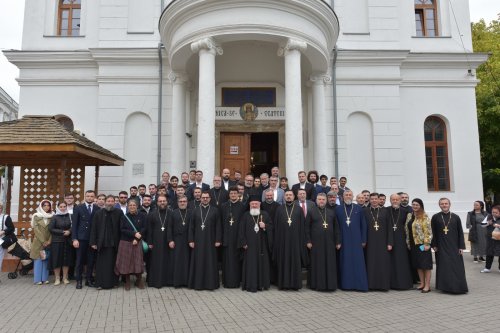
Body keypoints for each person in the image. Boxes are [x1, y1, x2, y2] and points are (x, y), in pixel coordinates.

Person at [431, 198, 468, 294]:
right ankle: (445, 287)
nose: (444, 205)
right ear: (439, 205)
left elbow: (460, 232)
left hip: (454, 246)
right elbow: (433, 232)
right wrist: (434, 245)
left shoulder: (456, 217)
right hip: (441, 246)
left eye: (446, 203)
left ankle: (458, 286)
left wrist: (461, 246)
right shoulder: (435, 217)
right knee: (444, 266)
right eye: (442, 204)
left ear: (449, 204)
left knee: (456, 266)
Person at [273, 190, 308, 290]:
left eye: (290, 195)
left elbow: (302, 227)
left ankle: (295, 284)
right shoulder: (279, 209)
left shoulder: (298, 209)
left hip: (296, 241)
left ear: (294, 197)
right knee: (283, 261)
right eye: (287, 195)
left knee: (295, 261)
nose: (288, 197)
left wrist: (302, 241)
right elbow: (276, 226)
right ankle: (283, 284)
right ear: (284, 197)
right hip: (282, 241)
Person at [306, 193, 341, 291]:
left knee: (329, 263)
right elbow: (306, 228)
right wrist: (308, 241)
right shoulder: (311, 211)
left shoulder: (331, 212)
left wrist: (338, 241)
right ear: (316, 201)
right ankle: (317, 285)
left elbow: (336, 228)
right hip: (316, 243)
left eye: (323, 199)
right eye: (319, 199)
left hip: (329, 243)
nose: (321, 201)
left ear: (326, 201)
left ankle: (330, 285)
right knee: (318, 264)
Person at [238, 195, 273, 292]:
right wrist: (243, 242)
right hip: (249, 246)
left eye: (256, 204)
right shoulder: (245, 215)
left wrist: (265, 226)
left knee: (262, 264)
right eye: (252, 204)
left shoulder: (264, 214)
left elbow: (271, 227)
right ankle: (250, 285)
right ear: (249, 205)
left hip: (262, 246)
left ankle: (262, 284)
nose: (254, 205)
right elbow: (241, 230)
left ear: (259, 204)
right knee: (250, 265)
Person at [335, 190, 368, 291]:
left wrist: (363, 240)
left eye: (350, 195)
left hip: (357, 240)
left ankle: (360, 285)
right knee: (346, 263)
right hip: (344, 240)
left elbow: (363, 225)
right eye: (346, 195)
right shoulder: (338, 209)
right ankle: (346, 285)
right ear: (342, 197)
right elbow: (336, 227)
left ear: (353, 197)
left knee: (358, 263)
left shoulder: (358, 208)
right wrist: (338, 241)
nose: (348, 196)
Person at [188, 191, 221, 290]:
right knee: (198, 262)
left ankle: (210, 284)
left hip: (211, 241)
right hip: (197, 241)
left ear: (210, 199)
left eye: (207, 197)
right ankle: (198, 284)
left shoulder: (215, 211)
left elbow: (218, 226)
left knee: (210, 262)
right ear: (200, 198)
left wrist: (218, 239)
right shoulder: (195, 210)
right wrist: (191, 240)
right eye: (203, 197)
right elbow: (191, 227)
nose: (205, 199)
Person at [90, 195, 122, 289]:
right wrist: (93, 242)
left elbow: (121, 228)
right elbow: (94, 229)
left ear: (114, 203)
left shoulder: (119, 213)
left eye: (112, 201)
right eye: (108, 201)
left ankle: (114, 283)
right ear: (105, 202)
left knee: (114, 263)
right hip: (102, 243)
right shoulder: (98, 213)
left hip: (114, 243)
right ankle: (100, 284)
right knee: (101, 265)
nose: (110, 203)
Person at [115, 200, 146, 290]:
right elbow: (122, 229)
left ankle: (138, 280)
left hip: (137, 242)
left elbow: (144, 228)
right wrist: (133, 234)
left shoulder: (142, 216)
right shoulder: (124, 217)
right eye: (130, 205)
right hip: (125, 242)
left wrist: (137, 239)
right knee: (126, 262)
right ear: (128, 206)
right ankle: (127, 281)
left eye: (134, 205)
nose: (132, 206)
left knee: (138, 262)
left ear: (137, 206)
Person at [364, 193, 393, 291]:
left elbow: (390, 227)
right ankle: (371, 285)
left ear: (379, 200)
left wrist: (390, 242)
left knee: (382, 263)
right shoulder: (365, 211)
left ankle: (383, 285)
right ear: (369, 200)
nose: (374, 201)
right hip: (370, 241)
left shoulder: (385, 211)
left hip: (383, 241)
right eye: (372, 199)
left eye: (376, 199)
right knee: (371, 262)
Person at [72, 190, 99, 289]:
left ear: (94, 197)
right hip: (81, 239)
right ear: (85, 196)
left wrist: (96, 240)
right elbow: (74, 225)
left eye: (92, 196)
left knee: (91, 260)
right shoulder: (78, 208)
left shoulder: (97, 208)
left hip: (92, 240)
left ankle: (88, 279)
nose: (90, 198)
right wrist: (74, 239)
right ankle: (79, 281)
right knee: (79, 261)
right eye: (88, 196)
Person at [220, 187, 246, 288]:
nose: (233, 195)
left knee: (236, 260)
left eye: (235, 193)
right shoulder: (224, 206)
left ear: (238, 195)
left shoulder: (242, 206)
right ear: (229, 195)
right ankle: (226, 282)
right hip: (226, 237)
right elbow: (221, 222)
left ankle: (236, 282)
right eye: (232, 193)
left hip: (237, 237)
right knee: (227, 260)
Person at [405, 198, 433, 293]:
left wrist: (427, 243)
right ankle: (422, 283)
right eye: (413, 204)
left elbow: (428, 231)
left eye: (417, 205)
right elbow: (407, 229)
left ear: (421, 206)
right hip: (413, 244)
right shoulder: (410, 215)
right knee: (418, 265)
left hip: (422, 244)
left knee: (426, 265)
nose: (415, 206)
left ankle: (427, 286)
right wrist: (408, 242)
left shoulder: (424, 216)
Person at [146, 194, 173, 288]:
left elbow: (173, 228)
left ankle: (167, 281)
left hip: (167, 241)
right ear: (157, 203)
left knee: (167, 261)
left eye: (164, 201)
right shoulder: (152, 214)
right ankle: (156, 281)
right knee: (156, 262)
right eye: (160, 201)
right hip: (155, 242)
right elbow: (149, 230)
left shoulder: (171, 213)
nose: (162, 203)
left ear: (167, 202)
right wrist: (150, 242)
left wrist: (171, 240)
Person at [387, 194, 413, 290]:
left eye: (397, 199)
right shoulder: (386, 210)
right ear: (390, 200)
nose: (395, 201)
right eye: (393, 199)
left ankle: (403, 283)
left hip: (401, 240)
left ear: (400, 200)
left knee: (402, 261)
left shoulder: (405, 212)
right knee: (391, 262)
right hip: (389, 239)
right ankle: (391, 283)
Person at [168, 196, 192, 287]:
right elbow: (169, 227)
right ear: (178, 203)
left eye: (184, 201)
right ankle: (177, 282)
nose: (182, 203)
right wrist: (170, 240)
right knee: (177, 261)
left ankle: (186, 282)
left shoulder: (191, 212)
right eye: (181, 201)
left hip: (188, 240)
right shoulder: (173, 213)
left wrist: (192, 240)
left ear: (187, 202)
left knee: (187, 261)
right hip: (176, 240)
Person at [49, 201, 74, 285]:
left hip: (67, 241)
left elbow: (73, 226)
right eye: (61, 207)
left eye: (64, 206)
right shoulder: (54, 217)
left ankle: (65, 277)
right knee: (57, 260)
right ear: (58, 207)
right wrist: (62, 232)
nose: (63, 208)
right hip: (57, 241)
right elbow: (51, 229)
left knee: (66, 260)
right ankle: (57, 278)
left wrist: (69, 231)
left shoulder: (70, 216)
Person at [30, 200, 53, 285]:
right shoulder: (36, 216)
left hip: (48, 242)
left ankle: (44, 278)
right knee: (38, 259)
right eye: (44, 205)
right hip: (39, 241)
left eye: (48, 205)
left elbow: (52, 230)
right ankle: (37, 279)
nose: (46, 207)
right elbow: (36, 230)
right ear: (41, 206)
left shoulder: (52, 216)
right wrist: (43, 241)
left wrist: (49, 240)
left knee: (45, 259)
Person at [481, 205, 500, 273]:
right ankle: (487, 268)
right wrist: (488, 223)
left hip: (499, 239)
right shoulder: (489, 216)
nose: (494, 214)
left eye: (496, 212)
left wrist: (498, 226)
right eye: (493, 212)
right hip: (490, 238)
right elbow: (482, 225)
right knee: (489, 252)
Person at [0, 202, 16, 275]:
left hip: (2, 240)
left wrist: (3, 232)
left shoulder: (6, 217)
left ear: (1, 209)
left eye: (0, 208)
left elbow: (11, 228)